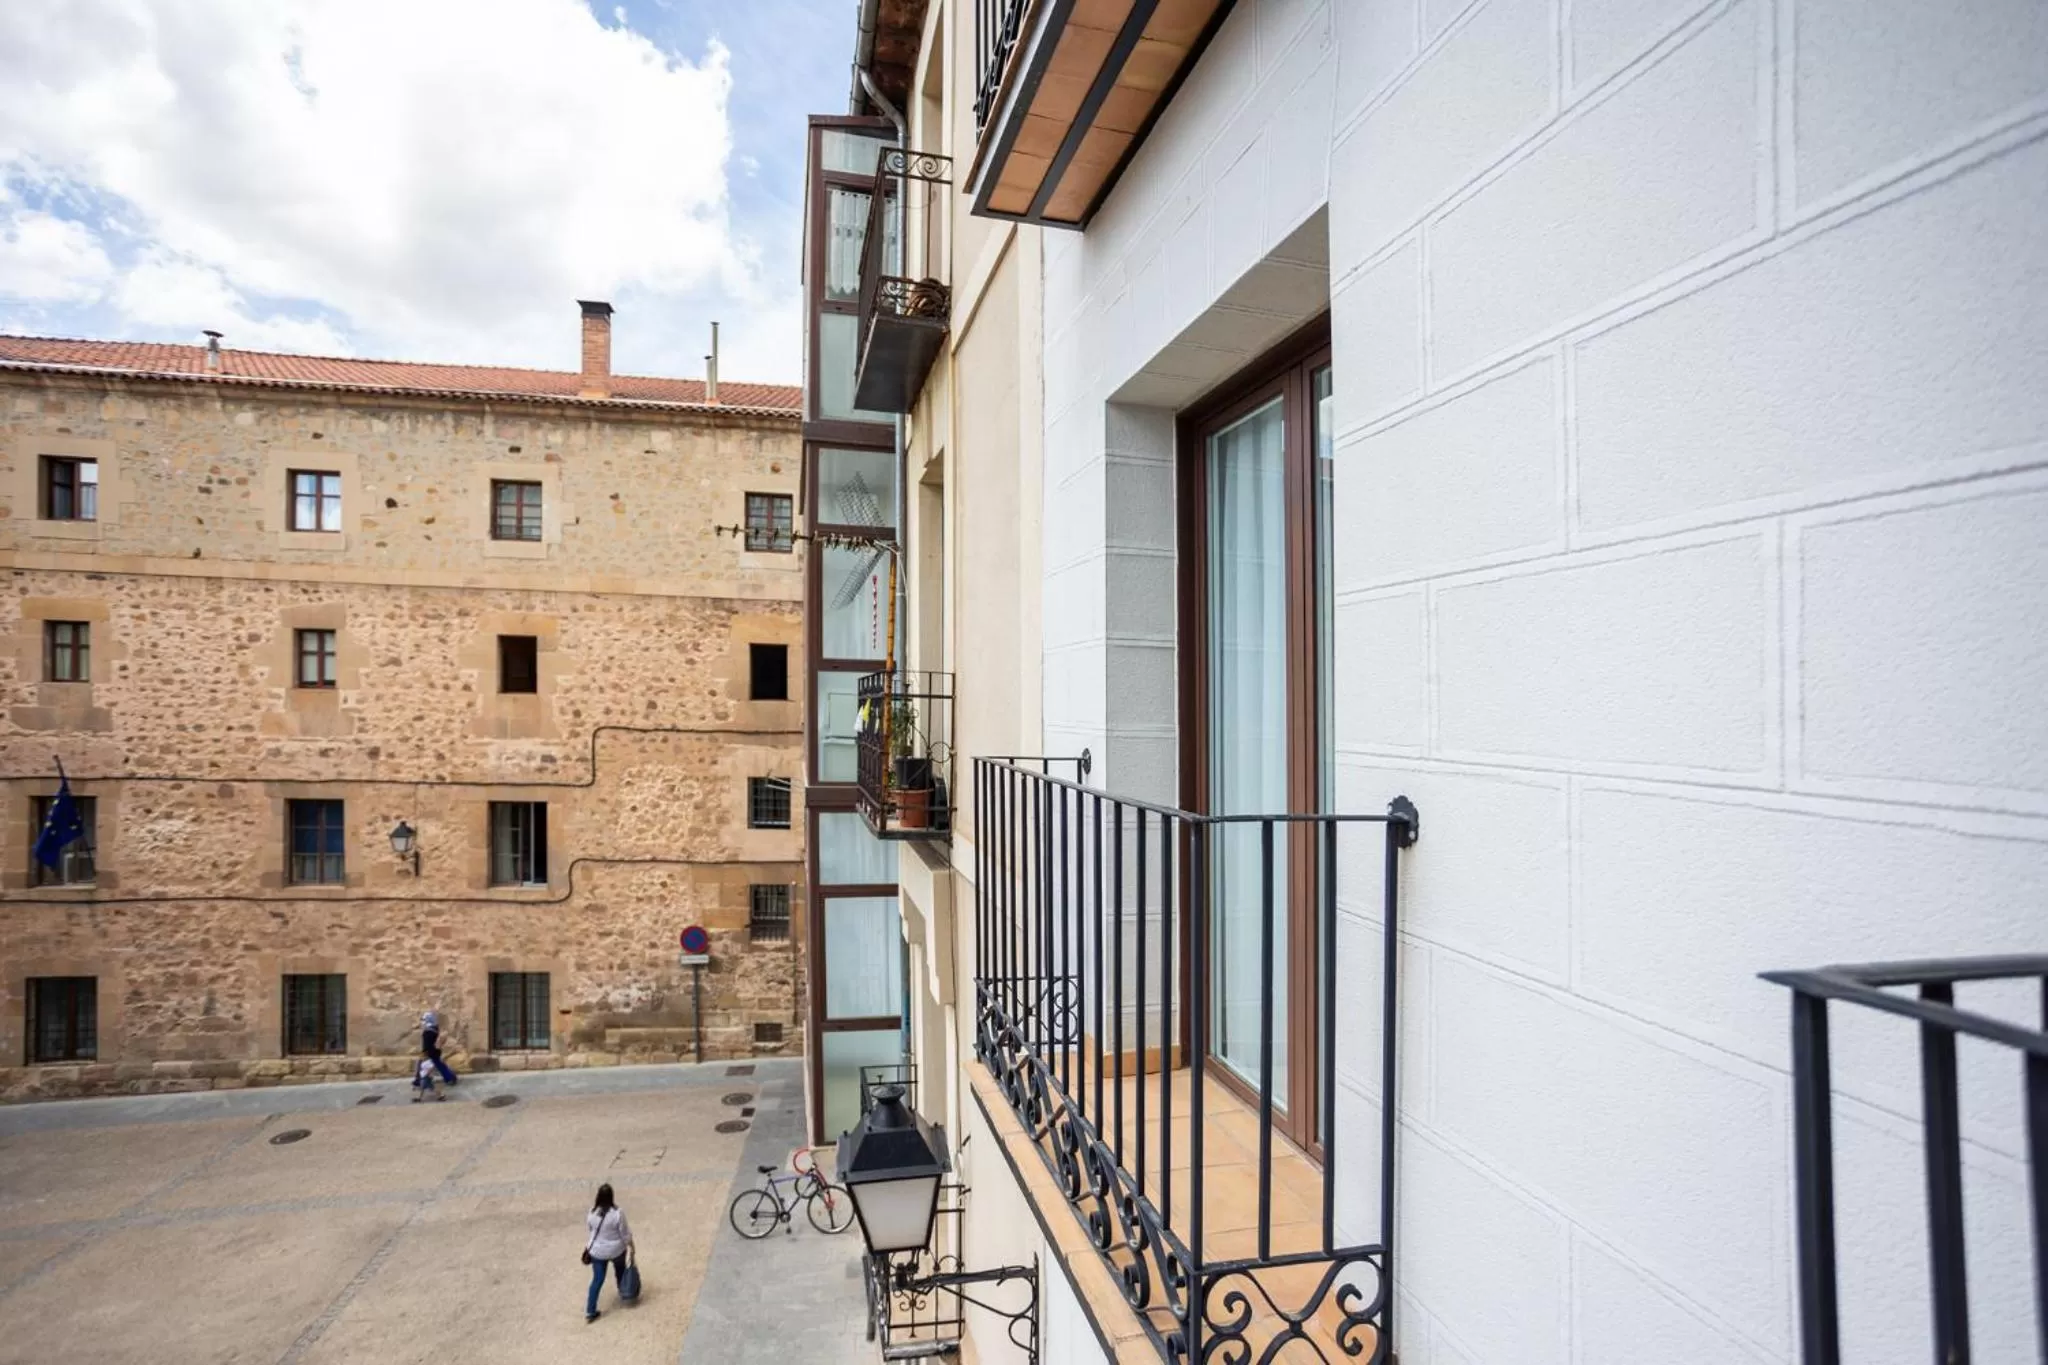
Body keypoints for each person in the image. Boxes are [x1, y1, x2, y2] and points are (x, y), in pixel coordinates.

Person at [583, 1183, 634, 1322]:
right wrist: (631, 1245)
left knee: (597, 1280)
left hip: (598, 1252)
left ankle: (590, 1310)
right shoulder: (617, 1213)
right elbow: (624, 1233)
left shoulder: (592, 1213)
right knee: (620, 1273)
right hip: (616, 1250)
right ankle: (624, 1294)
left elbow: (590, 1229)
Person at [420, 1010, 457, 1086]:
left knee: (434, 1066)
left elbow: (427, 1044)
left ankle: (449, 1078)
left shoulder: (427, 1032)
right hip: (436, 1051)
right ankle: (451, 1077)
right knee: (440, 1065)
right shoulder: (434, 1029)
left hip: (430, 1052)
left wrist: (425, 1053)